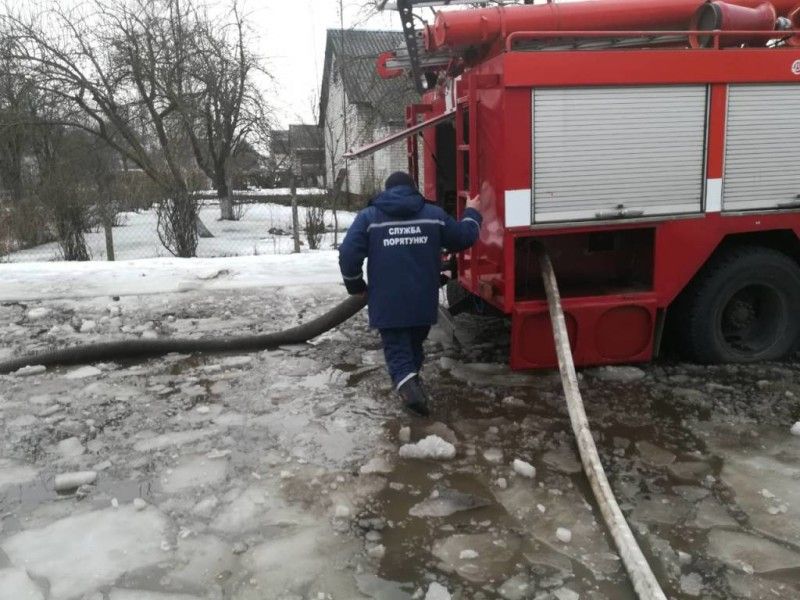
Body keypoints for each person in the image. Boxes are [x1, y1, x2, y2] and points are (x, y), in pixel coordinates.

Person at [338, 171, 483, 417]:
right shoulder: (434, 215)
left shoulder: (369, 217)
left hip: (388, 303)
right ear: (414, 189)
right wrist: (472, 212)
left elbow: (348, 255)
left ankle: (411, 394)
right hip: (422, 301)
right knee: (414, 348)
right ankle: (413, 386)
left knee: (398, 352)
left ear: (386, 191)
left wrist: (355, 285)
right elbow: (463, 237)